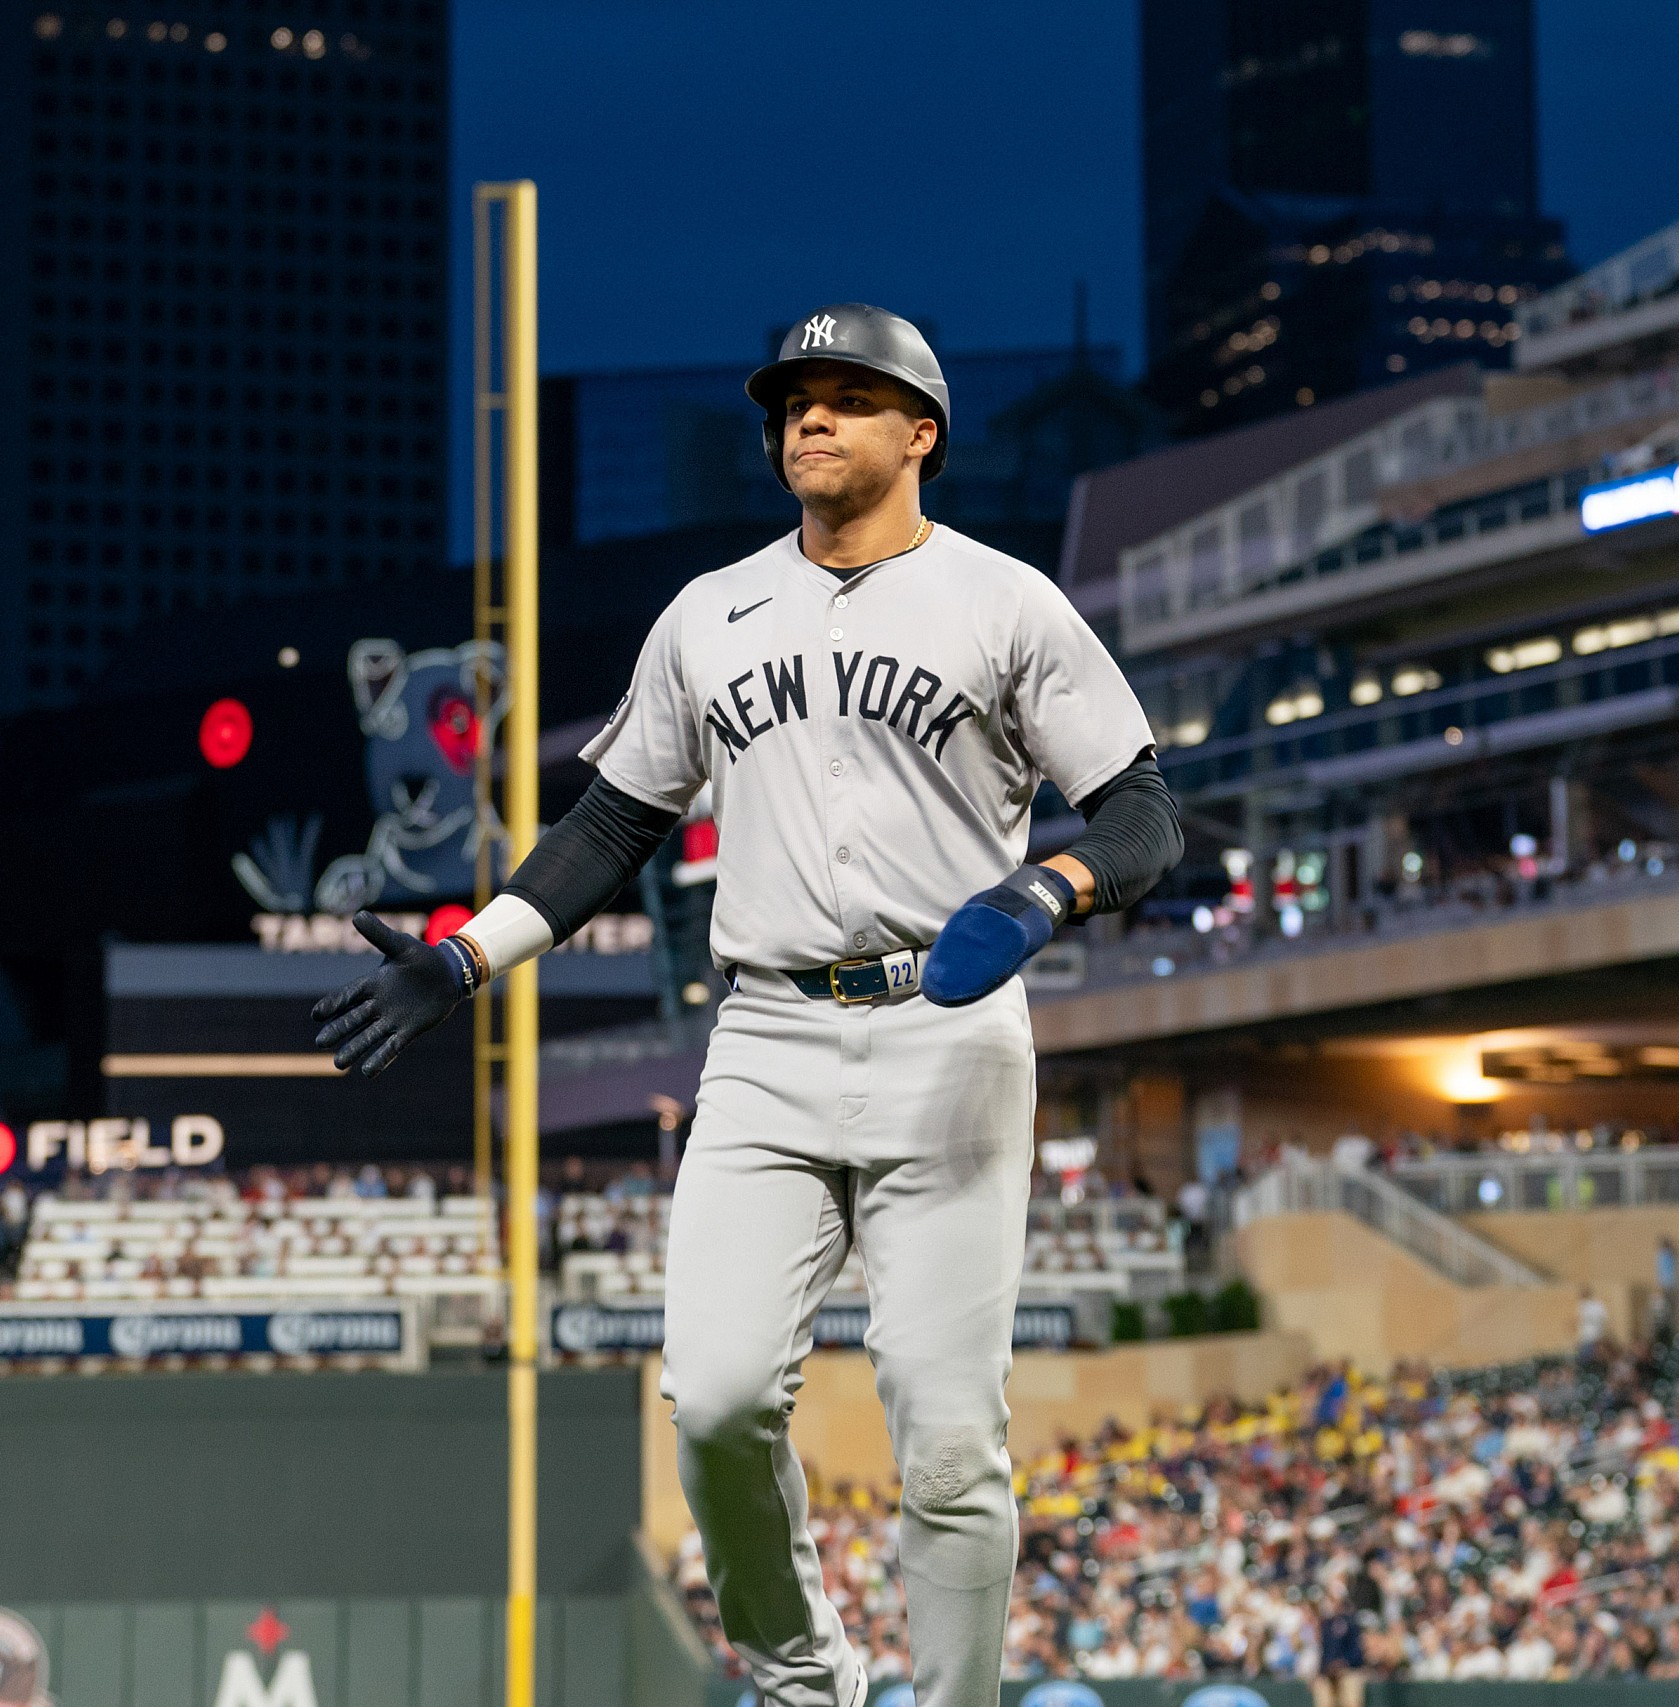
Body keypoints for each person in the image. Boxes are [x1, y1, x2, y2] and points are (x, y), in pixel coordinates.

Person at [310, 303, 1183, 1707]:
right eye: (792, 400)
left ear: (923, 432)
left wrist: (1045, 893)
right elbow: (608, 828)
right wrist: (467, 956)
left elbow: (1144, 815)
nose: (810, 418)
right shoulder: (708, 615)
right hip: (767, 1035)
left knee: (950, 1436)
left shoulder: (1007, 601)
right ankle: (801, 1684)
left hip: (946, 1031)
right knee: (712, 1403)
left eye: (848, 394)